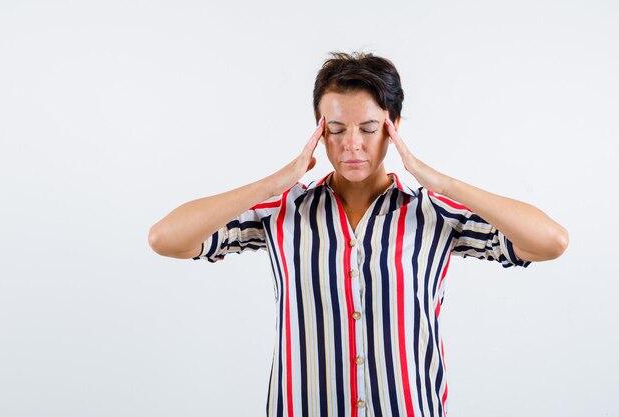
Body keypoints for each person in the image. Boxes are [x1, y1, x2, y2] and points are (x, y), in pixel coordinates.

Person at [148, 51, 568, 417]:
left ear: (393, 126)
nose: (352, 144)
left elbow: (549, 241)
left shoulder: (434, 213)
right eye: (336, 129)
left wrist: (441, 182)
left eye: (368, 129)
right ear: (318, 128)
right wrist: (273, 183)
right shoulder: (281, 212)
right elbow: (166, 238)